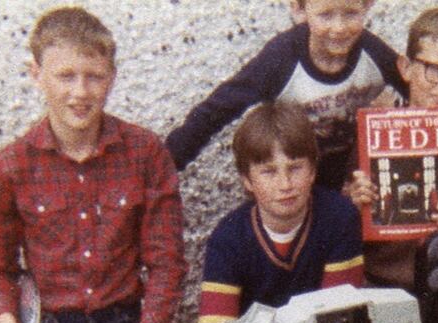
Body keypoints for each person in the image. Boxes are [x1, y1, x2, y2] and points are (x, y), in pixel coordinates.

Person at [0, 7, 187, 323]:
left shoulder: (146, 154)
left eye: (93, 77)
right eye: (65, 76)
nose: (80, 92)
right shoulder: (10, 168)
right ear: (37, 74)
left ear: (111, 77)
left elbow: (168, 267)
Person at [163, 101, 364, 323]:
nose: (285, 184)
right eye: (269, 172)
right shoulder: (228, 238)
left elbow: (337, 320)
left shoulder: (339, 218)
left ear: (313, 170)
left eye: (295, 168)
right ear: (247, 180)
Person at [165, 0, 407, 191]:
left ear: (368, 5)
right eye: (325, 15)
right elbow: (219, 108)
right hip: (293, 178)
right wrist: (164, 165)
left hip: (351, 177)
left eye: (351, 13)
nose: (339, 28)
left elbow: (416, 87)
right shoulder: (281, 59)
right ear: (299, 9)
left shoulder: (372, 53)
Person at [346, 7, 438, 290]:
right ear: (406, 68)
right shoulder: (373, 132)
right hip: (380, 284)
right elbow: (341, 229)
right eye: (434, 70)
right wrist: (353, 203)